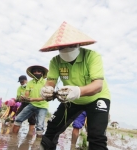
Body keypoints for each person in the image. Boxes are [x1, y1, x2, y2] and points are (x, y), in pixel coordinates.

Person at [40, 21, 111, 150]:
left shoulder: (92, 56)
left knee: (96, 135)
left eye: (71, 45)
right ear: (57, 48)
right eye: (62, 47)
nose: (66, 49)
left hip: (97, 97)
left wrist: (78, 91)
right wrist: (48, 89)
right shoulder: (55, 61)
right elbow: (51, 81)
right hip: (71, 98)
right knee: (52, 127)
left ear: (79, 44)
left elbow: (98, 85)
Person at [13, 65, 49, 138]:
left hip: (43, 106)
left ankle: (37, 145)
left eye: (38, 71)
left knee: (39, 126)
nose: (36, 73)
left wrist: (33, 99)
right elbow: (27, 94)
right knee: (18, 119)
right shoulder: (30, 83)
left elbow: (46, 97)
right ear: (32, 73)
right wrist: (24, 98)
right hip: (32, 105)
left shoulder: (46, 83)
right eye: (34, 71)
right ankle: (13, 139)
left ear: (42, 73)